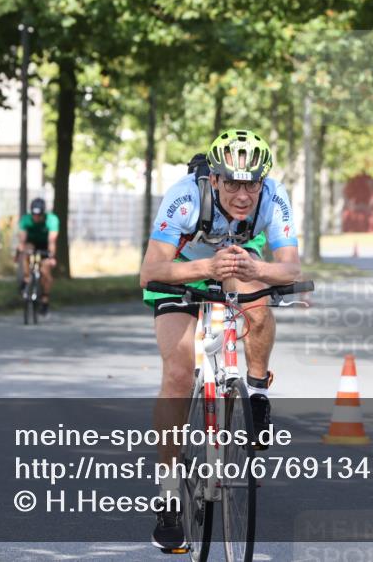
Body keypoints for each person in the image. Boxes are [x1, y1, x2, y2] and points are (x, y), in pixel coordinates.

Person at [139, 129, 300, 551]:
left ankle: (256, 392)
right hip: (182, 273)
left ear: (262, 181)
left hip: (235, 264)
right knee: (177, 374)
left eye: (251, 184)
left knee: (259, 308)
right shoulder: (185, 196)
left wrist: (259, 272)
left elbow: (290, 268)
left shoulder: (274, 196)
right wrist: (206, 266)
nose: (243, 194)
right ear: (214, 179)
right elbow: (150, 270)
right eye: (232, 183)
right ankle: (170, 494)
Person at [16, 198, 59, 317]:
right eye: (34, 214)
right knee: (26, 251)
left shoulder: (52, 220)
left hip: (45, 245)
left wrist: (52, 256)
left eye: (39, 215)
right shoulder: (26, 219)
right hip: (31, 243)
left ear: (43, 213)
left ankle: (45, 300)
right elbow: (23, 238)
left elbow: (52, 240)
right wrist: (21, 247)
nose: (36, 217)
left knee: (46, 272)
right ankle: (26, 278)